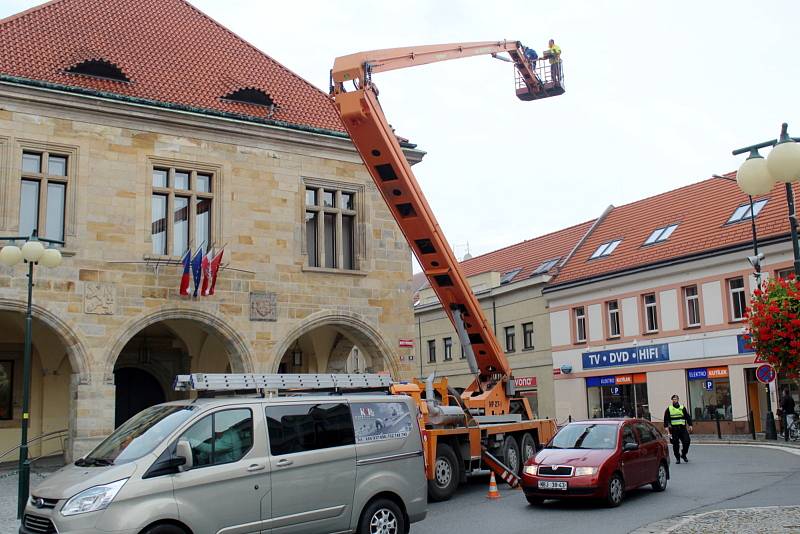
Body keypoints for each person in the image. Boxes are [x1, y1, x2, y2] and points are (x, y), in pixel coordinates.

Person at [663, 394, 692, 464]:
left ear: (678, 400)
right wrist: (667, 429)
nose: (674, 400)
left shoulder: (682, 408)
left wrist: (690, 425)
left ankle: (684, 454)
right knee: (675, 445)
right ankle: (677, 458)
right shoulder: (669, 409)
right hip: (673, 430)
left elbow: (687, 417)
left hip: (682, 429)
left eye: (675, 399)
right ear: (672, 400)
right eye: (673, 399)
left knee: (687, 441)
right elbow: (666, 419)